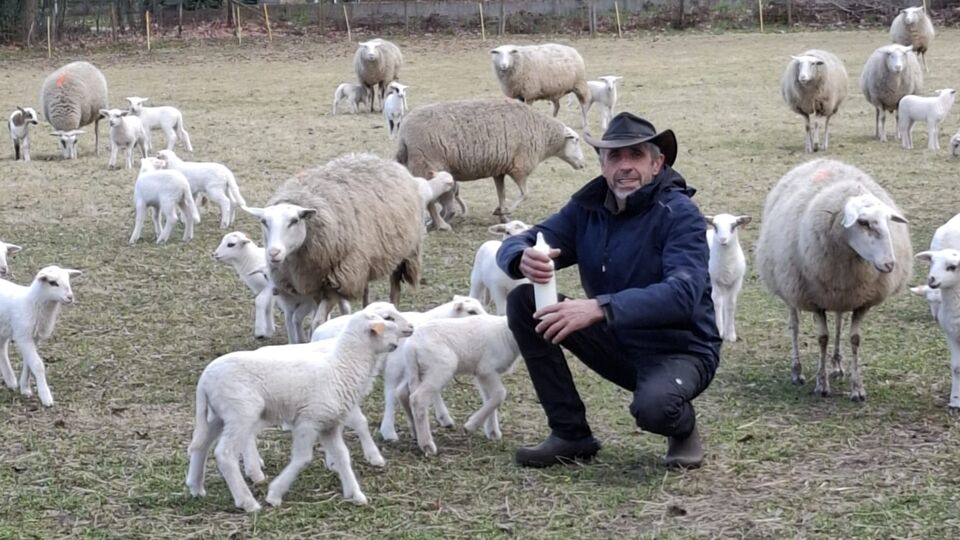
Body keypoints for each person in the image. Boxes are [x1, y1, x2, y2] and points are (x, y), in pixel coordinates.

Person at [496, 112, 721, 469]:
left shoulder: (680, 214)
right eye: (615, 157)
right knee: (525, 301)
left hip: (680, 350)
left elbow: (683, 294)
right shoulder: (587, 209)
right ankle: (570, 434)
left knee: (654, 409)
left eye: (635, 156)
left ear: (657, 163)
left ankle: (682, 425)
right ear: (602, 165)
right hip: (617, 340)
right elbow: (529, 237)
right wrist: (520, 256)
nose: (625, 166)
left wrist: (600, 307)